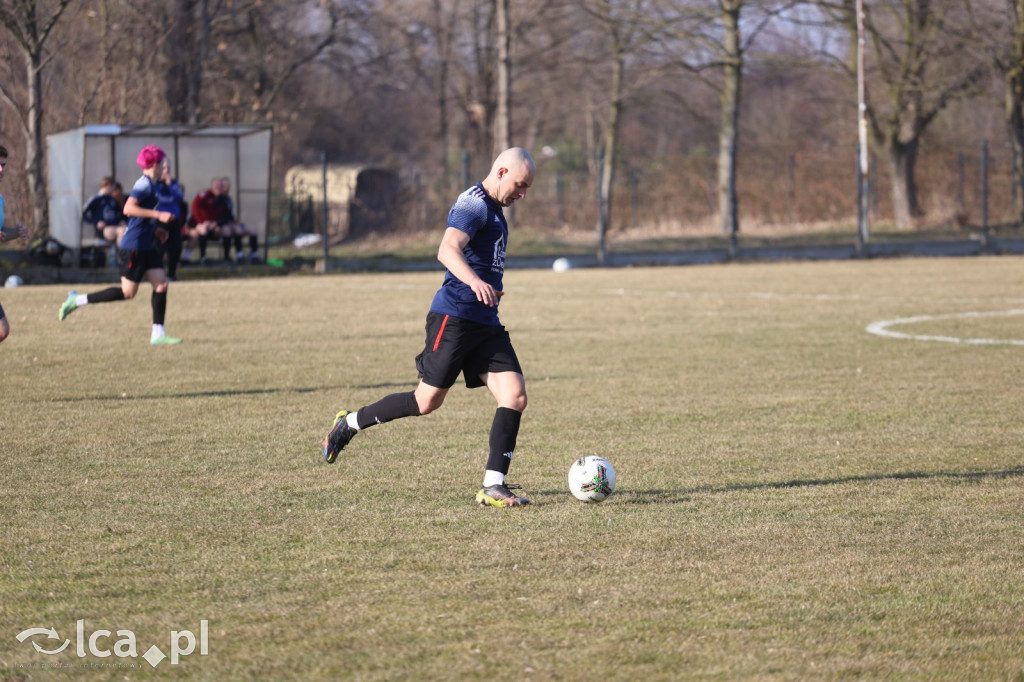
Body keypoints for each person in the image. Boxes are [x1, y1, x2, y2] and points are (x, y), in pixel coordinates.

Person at [321, 147, 537, 507]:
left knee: (514, 396)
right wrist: (475, 283)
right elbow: (447, 249)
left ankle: (494, 485)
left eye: (527, 187)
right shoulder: (473, 202)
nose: (523, 193)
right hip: (454, 317)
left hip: (485, 322)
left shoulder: (497, 210)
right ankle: (349, 423)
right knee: (426, 401)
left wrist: (489, 286)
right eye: (519, 184)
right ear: (500, 172)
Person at [58, 144, 183, 345]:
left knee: (161, 283)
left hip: (146, 243)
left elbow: (139, 217)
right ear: (155, 164)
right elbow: (129, 208)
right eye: (163, 164)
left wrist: (154, 229)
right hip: (133, 246)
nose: (164, 168)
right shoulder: (143, 184)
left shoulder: (152, 185)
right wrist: (158, 215)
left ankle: (158, 333)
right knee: (127, 293)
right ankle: (76, 300)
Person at [0, 144, 28, 344]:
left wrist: (16, 232)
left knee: (2, 330)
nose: (1, 170)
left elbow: (1, 234)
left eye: (3, 166)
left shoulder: (0, 199)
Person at [214, 177, 260, 264]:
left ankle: (254, 255)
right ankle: (239, 255)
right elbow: (219, 215)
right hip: (223, 225)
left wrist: (234, 220)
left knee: (253, 229)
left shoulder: (228, 199)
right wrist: (223, 224)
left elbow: (229, 213)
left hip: (231, 223)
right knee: (236, 229)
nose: (227, 187)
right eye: (224, 185)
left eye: (228, 185)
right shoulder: (218, 199)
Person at [156, 164, 187, 279]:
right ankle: (158, 274)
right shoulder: (153, 184)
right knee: (160, 248)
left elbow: (179, 197)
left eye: (168, 169)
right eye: (164, 168)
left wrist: (170, 184)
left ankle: (171, 274)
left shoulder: (173, 183)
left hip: (174, 220)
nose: (166, 171)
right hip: (160, 220)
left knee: (175, 248)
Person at [81, 175, 127, 245]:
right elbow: (83, 213)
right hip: (104, 230)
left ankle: (126, 253)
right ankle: (123, 254)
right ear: (109, 186)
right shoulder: (96, 198)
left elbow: (117, 213)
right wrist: (96, 222)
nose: (114, 189)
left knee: (126, 229)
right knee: (121, 231)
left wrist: (121, 221)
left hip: (114, 227)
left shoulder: (111, 199)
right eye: (113, 187)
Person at [185, 179, 222, 264]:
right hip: (198, 224)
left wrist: (216, 223)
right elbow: (195, 207)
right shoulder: (204, 194)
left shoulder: (222, 199)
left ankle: (230, 257)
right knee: (203, 230)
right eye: (216, 186)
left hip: (212, 226)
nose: (218, 188)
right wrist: (200, 222)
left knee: (224, 231)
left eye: (220, 186)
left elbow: (224, 214)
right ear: (211, 186)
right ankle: (201, 257)